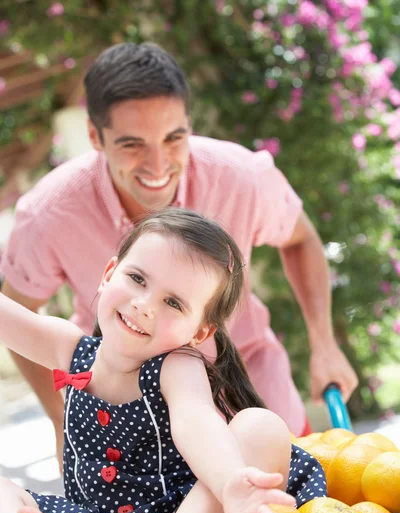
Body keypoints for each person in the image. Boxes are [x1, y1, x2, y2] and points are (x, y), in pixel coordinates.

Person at [0, 43, 357, 466]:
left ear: (189, 125)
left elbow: (300, 239)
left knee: (294, 503)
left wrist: (324, 343)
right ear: (95, 137)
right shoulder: (50, 213)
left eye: (174, 138)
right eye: (132, 144)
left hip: (247, 382)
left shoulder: (241, 177)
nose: (158, 165)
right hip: (123, 404)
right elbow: (19, 313)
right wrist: (62, 420)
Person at [0, 209, 327, 513]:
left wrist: (229, 483)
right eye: (137, 279)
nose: (144, 305)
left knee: (260, 427)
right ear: (108, 275)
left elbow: (196, 423)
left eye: (174, 302)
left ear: (199, 331)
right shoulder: (68, 347)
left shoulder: (176, 366)